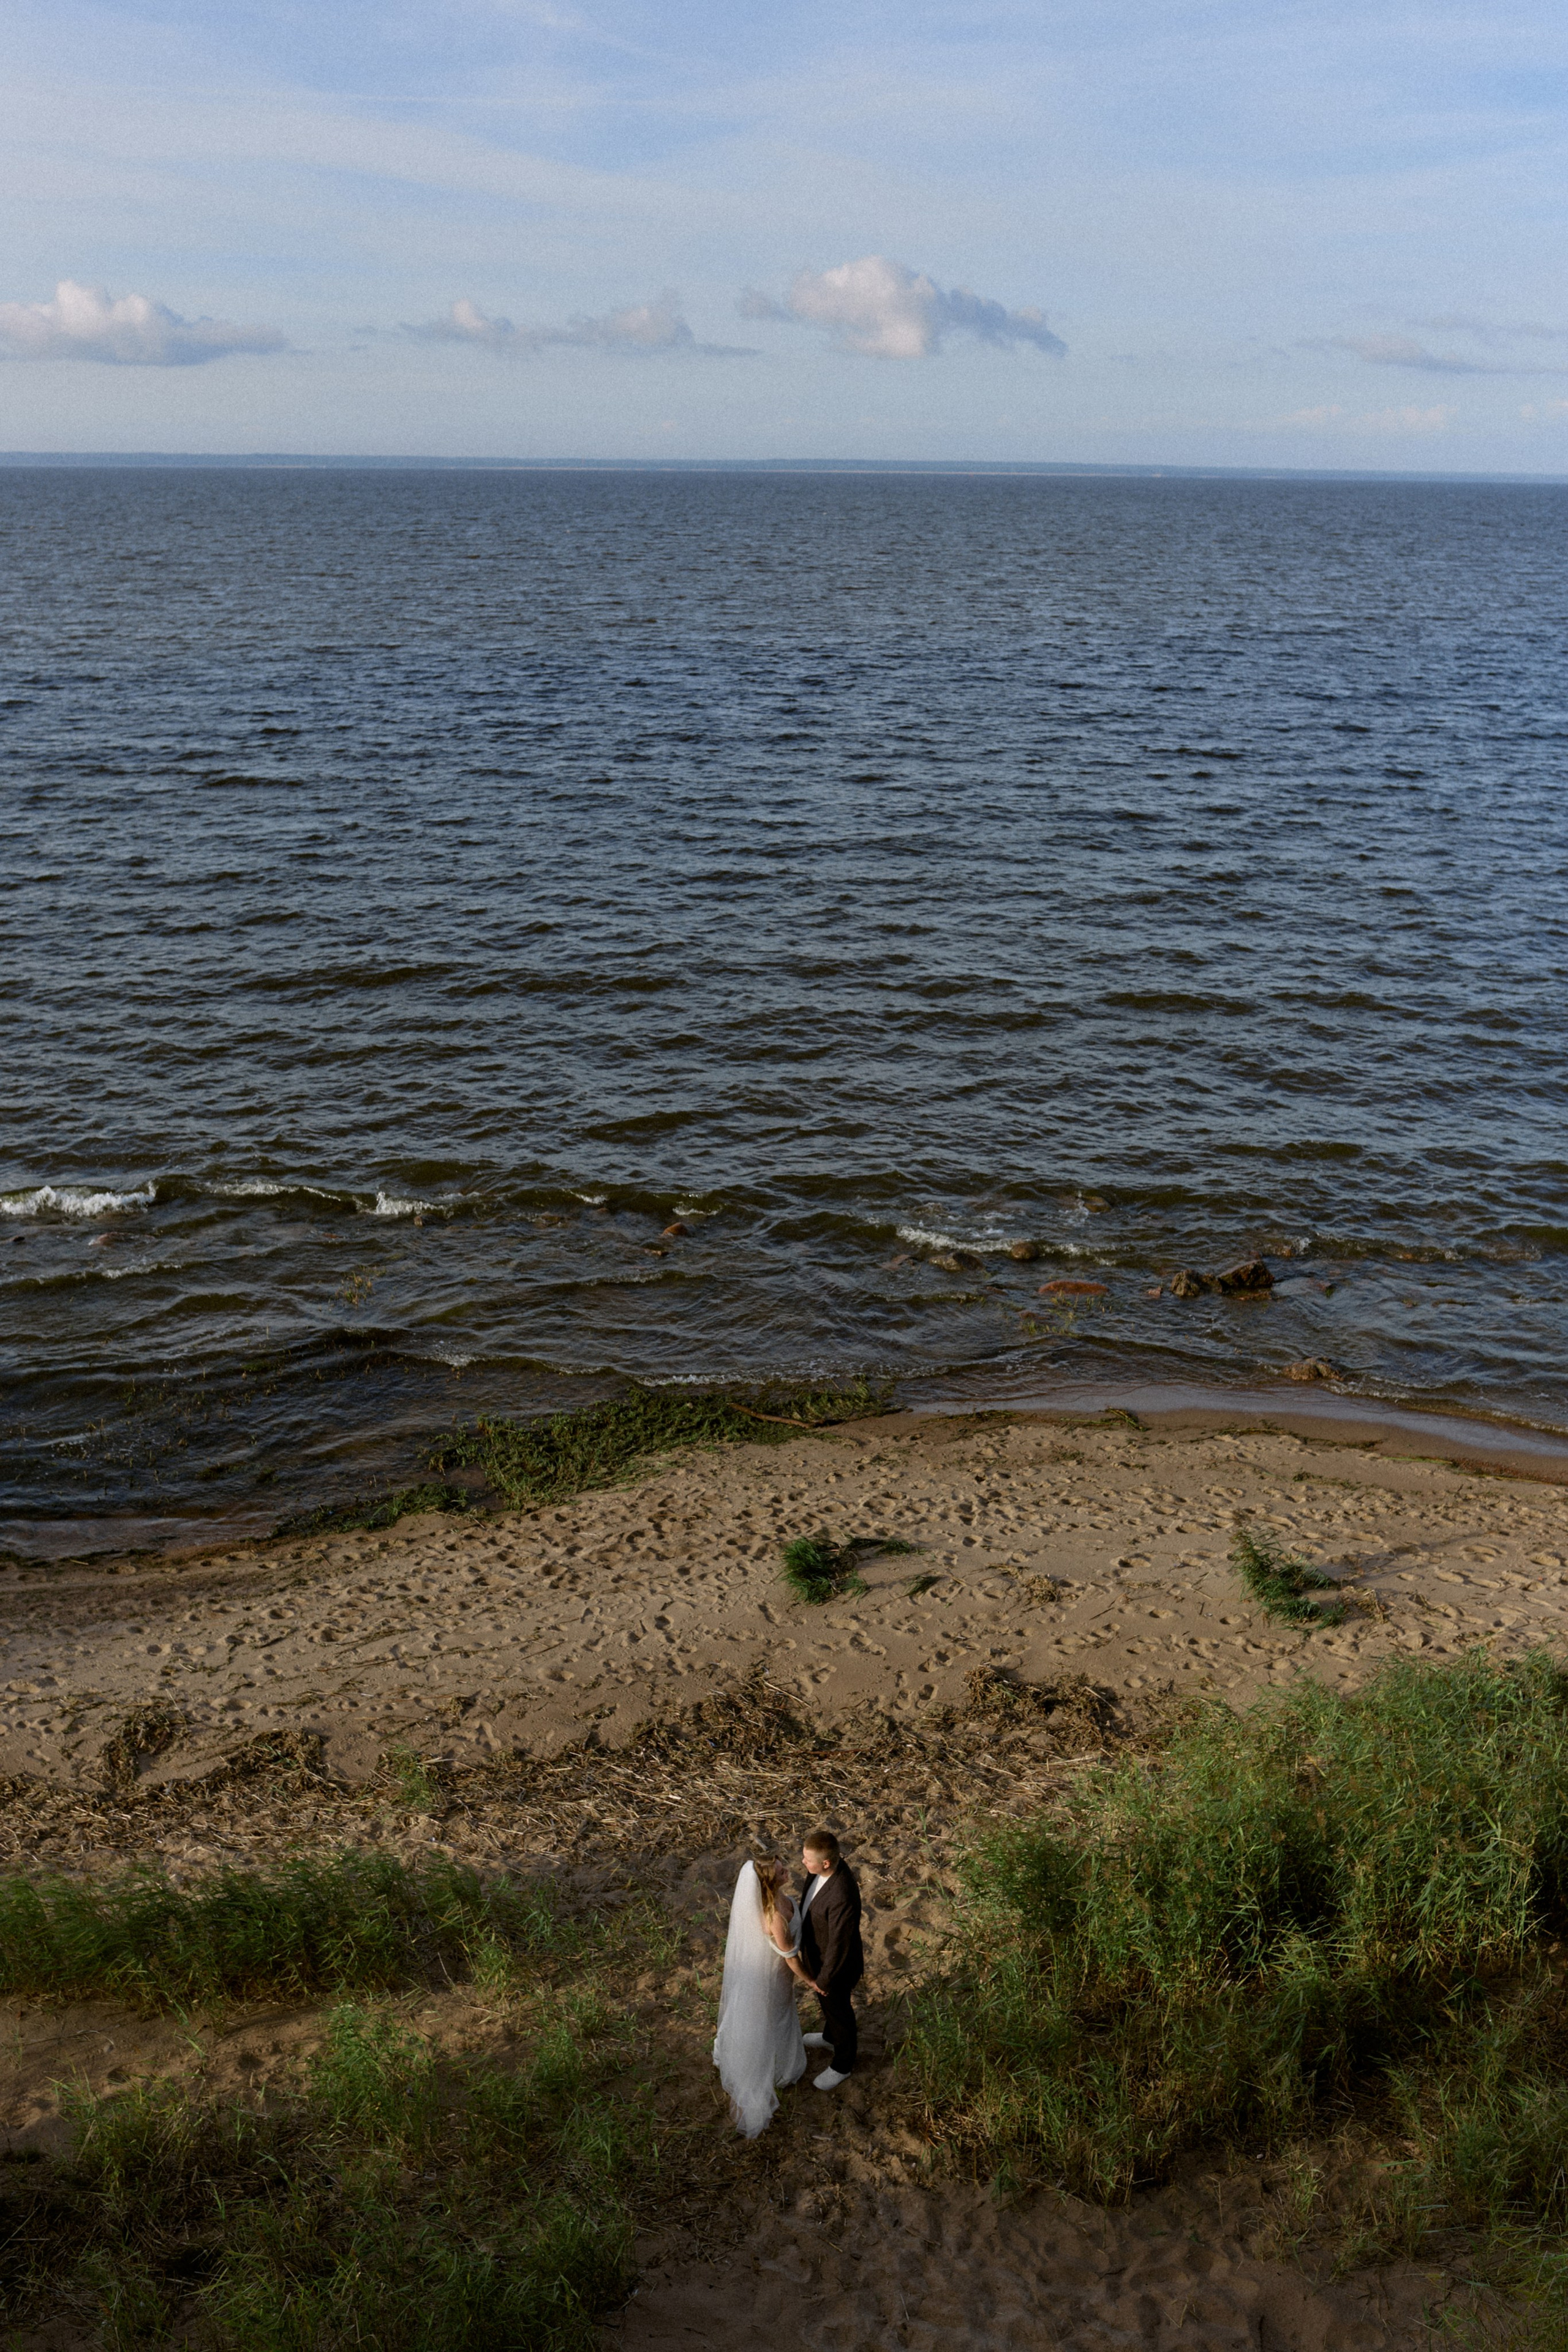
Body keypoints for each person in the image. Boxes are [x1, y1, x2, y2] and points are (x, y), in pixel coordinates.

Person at [712, 1856, 816, 2136]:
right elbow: (791, 1958)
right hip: (775, 1977)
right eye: (781, 1871)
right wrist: (810, 1980)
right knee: (775, 2016)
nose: (787, 1870)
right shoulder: (775, 1919)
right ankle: (778, 2068)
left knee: (781, 2013)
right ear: (770, 1883)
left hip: (780, 1974)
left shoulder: (783, 1900)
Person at [797, 1827, 863, 2090]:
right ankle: (829, 2037)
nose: (803, 1862)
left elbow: (839, 1944)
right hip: (818, 1958)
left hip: (835, 1968)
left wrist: (824, 1980)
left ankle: (843, 2065)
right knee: (829, 2009)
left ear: (826, 1863)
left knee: (840, 2013)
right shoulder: (818, 1870)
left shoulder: (841, 1894)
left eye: (808, 1859)